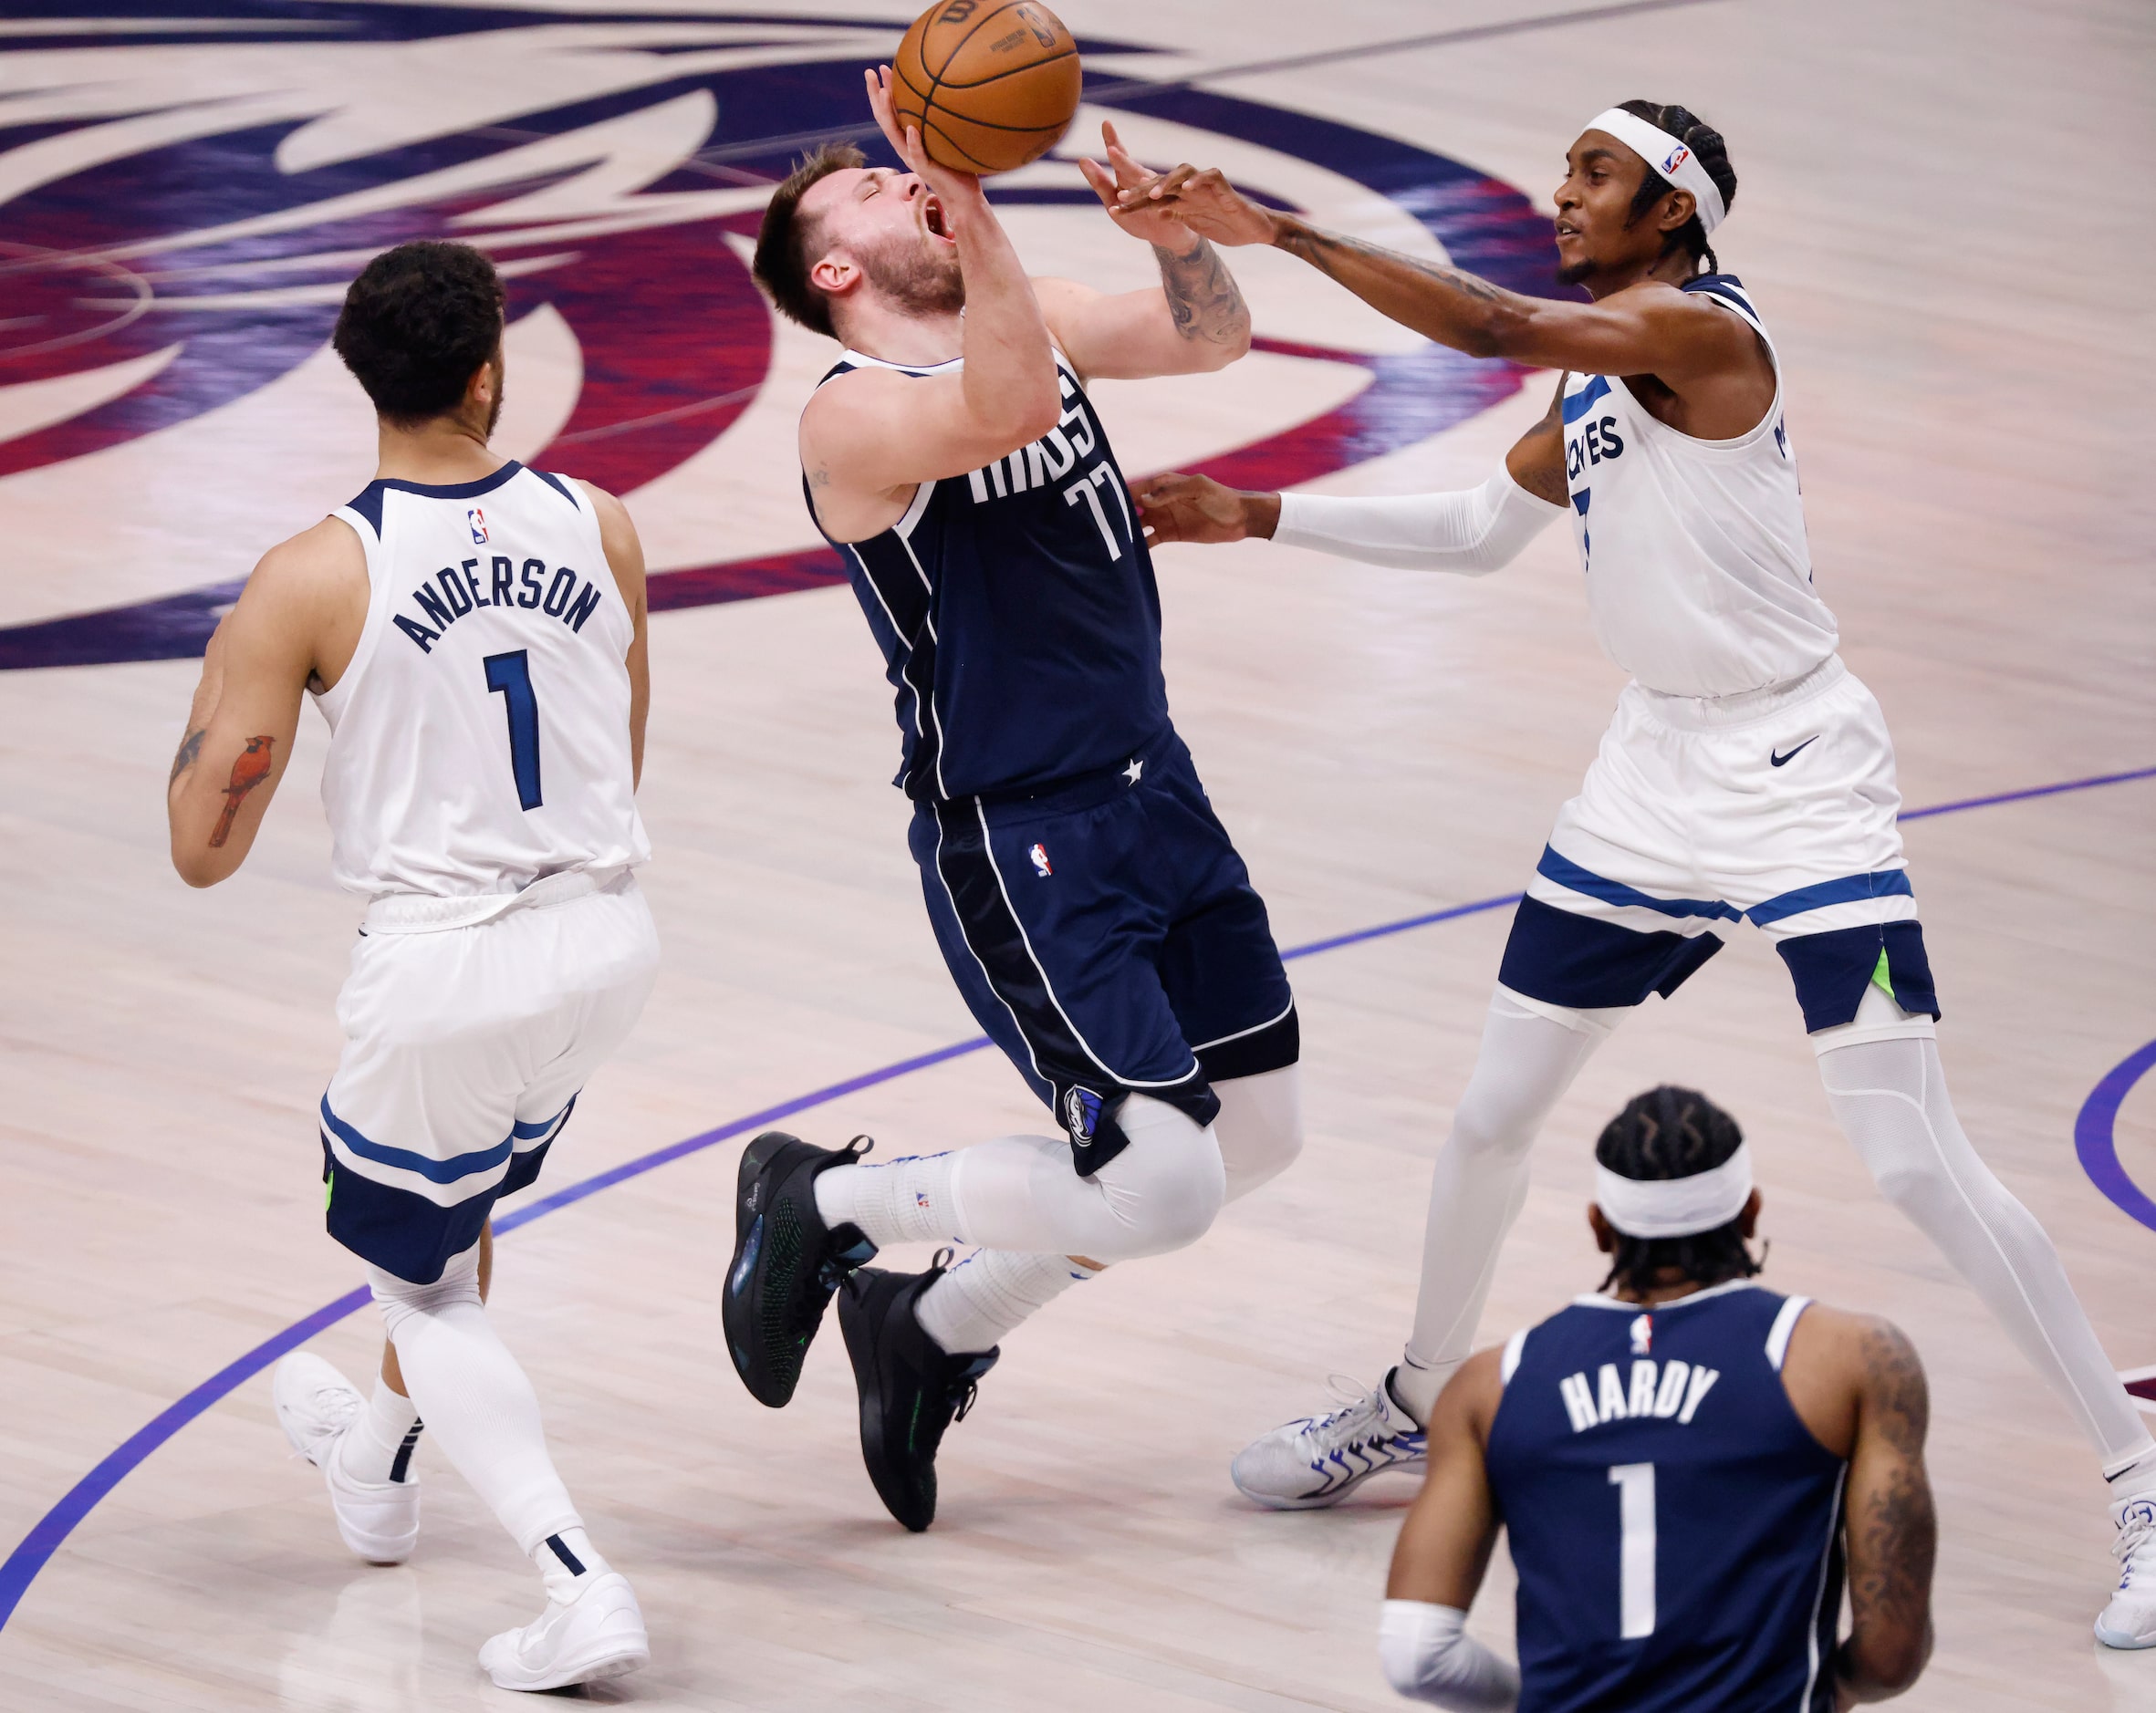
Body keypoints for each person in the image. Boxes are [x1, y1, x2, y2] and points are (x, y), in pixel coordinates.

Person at [1123, 100, 2156, 1642]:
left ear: (1673, 213)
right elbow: (1482, 527)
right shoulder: (1599, 378)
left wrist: (1267, 229)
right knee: (1489, 1112)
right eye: (1562, 171)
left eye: (1594, 176)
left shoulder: (1692, 333)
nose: (1561, 193)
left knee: (1911, 1157)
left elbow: (1479, 321)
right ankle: (1417, 1398)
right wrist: (1255, 513)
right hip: (1647, 780)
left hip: (1801, 777)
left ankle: (2138, 1472)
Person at [725, 72, 1299, 1532]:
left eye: (901, 166)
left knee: (1256, 1137)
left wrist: (1174, 243)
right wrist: (968, 191)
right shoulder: (848, 419)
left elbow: (1211, 338)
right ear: (835, 270)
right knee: (1161, 1184)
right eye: (867, 188)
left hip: (1153, 785)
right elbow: (1009, 405)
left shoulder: (1016, 306)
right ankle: (826, 1204)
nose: (897, 181)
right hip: (1019, 832)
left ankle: (927, 1329)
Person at [165, 240, 661, 1691]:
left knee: (419, 1294)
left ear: (352, 373)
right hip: (606, 937)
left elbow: (203, 846)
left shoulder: (309, 576)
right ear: (490, 370)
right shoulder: (601, 520)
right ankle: (375, 1470)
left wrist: (231, 678)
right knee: (450, 1214)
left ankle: (576, 1578)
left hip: (449, 961)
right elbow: (613, 757)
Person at [1382, 1087, 1934, 1711]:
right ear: (1750, 1213)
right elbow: (1889, 1656)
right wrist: (1825, 1689)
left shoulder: (1491, 1386)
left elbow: (1415, 1656)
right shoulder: (1851, 1359)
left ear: (1598, 1227)